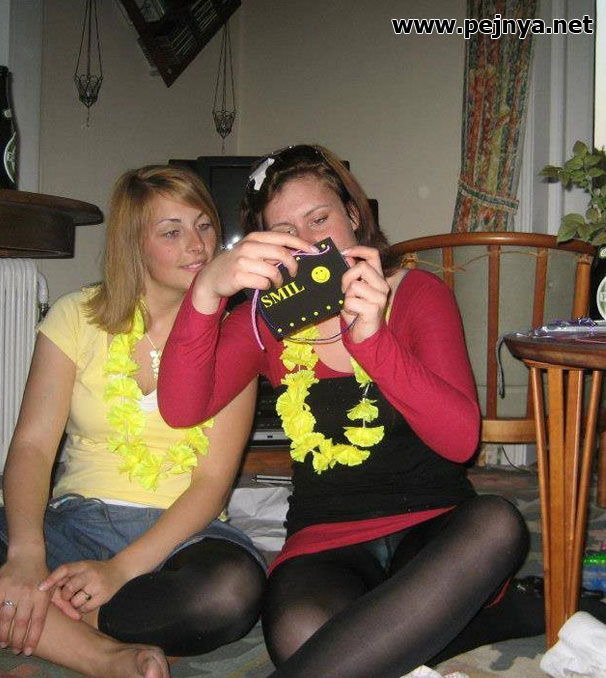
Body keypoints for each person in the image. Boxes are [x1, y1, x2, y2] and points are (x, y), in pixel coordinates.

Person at [156, 144, 551, 677]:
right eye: (286, 232)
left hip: (434, 523)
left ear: (353, 216)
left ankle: (416, 623)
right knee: (301, 636)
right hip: (326, 536)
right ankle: (482, 618)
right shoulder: (265, 319)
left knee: (498, 524)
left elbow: (460, 442)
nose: (309, 242)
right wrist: (206, 291)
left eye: (320, 219)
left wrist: (375, 342)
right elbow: (181, 408)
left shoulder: (416, 293)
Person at [0, 165, 266, 678]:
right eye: (172, 232)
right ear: (133, 244)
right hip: (75, 523)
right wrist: (26, 555)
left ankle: (8, 619)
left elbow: (211, 483)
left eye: (204, 225)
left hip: (180, 536)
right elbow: (33, 445)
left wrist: (120, 571)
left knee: (228, 595)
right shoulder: (76, 315)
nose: (198, 245)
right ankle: (95, 652)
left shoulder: (237, 336)